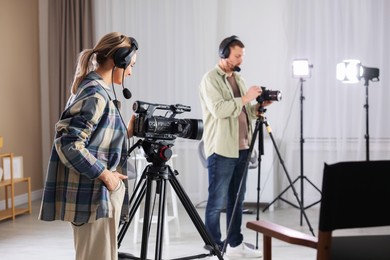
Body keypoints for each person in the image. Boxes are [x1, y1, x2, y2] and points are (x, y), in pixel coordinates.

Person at [39, 32, 138, 260]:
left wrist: (128, 131)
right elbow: (69, 143)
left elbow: (95, 138)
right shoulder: (95, 93)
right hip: (94, 196)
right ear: (118, 60)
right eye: (130, 65)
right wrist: (105, 174)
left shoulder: (96, 89)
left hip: (98, 196)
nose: (131, 71)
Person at [199, 35, 272, 258]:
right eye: (237, 55)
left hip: (242, 147)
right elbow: (220, 110)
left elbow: (242, 111)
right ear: (224, 54)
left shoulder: (237, 79)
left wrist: (257, 107)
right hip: (221, 149)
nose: (241, 59)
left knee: (237, 200)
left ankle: (235, 244)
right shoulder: (210, 79)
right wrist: (246, 98)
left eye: (242, 55)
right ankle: (214, 247)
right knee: (217, 201)